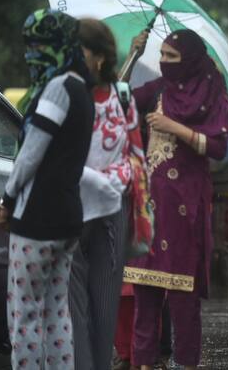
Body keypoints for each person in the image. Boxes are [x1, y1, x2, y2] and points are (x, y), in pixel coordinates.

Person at [122, 28, 228, 370]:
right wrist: (132, 57)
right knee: (145, 298)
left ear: (190, 59)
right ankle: (143, 363)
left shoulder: (213, 95)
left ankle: (186, 364)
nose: (164, 62)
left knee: (184, 302)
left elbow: (217, 147)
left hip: (187, 207)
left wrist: (175, 127)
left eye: (172, 57)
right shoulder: (158, 89)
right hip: (150, 206)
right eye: (162, 56)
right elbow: (115, 98)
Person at [0, 9, 94, 370]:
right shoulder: (83, 91)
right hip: (68, 219)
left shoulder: (55, 90)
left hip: (36, 219)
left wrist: (6, 199)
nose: (29, 54)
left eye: (36, 45)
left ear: (56, 45)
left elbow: (30, 154)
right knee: (56, 313)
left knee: (25, 318)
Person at [68, 18, 147, 370]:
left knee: (104, 312)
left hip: (109, 216)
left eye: (79, 49)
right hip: (68, 213)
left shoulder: (121, 97)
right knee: (73, 312)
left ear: (99, 57)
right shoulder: (62, 92)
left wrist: (110, 180)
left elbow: (136, 157)